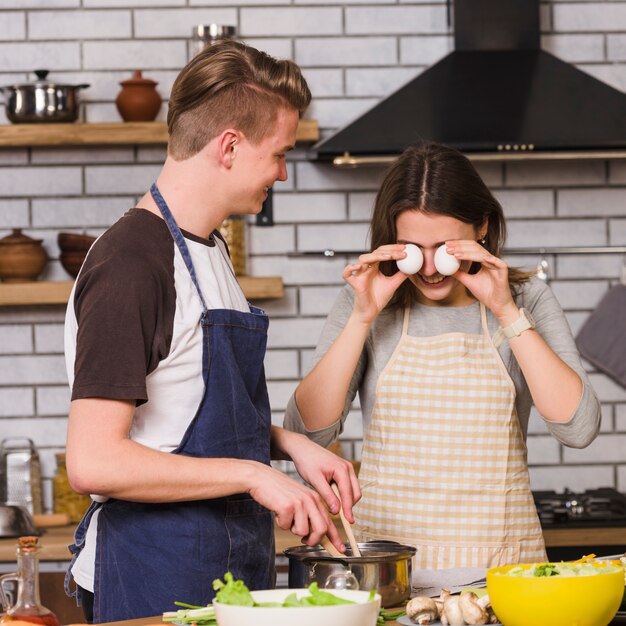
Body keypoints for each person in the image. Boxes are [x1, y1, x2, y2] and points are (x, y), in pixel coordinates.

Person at [63, 40, 359, 624]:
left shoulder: (209, 249)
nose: (281, 171)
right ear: (229, 146)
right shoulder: (133, 262)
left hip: (227, 570)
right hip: (156, 576)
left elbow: (182, 413)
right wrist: (254, 475)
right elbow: (93, 461)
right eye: (279, 153)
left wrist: (286, 445)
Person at [284, 143, 601, 590]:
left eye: (445, 247)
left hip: (501, 573)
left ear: (483, 227)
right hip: (390, 575)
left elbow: (579, 428)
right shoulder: (368, 304)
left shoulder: (526, 300)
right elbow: (308, 434)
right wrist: (361, 318)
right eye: (414, 248)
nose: (430, 268)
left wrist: (506, 311)